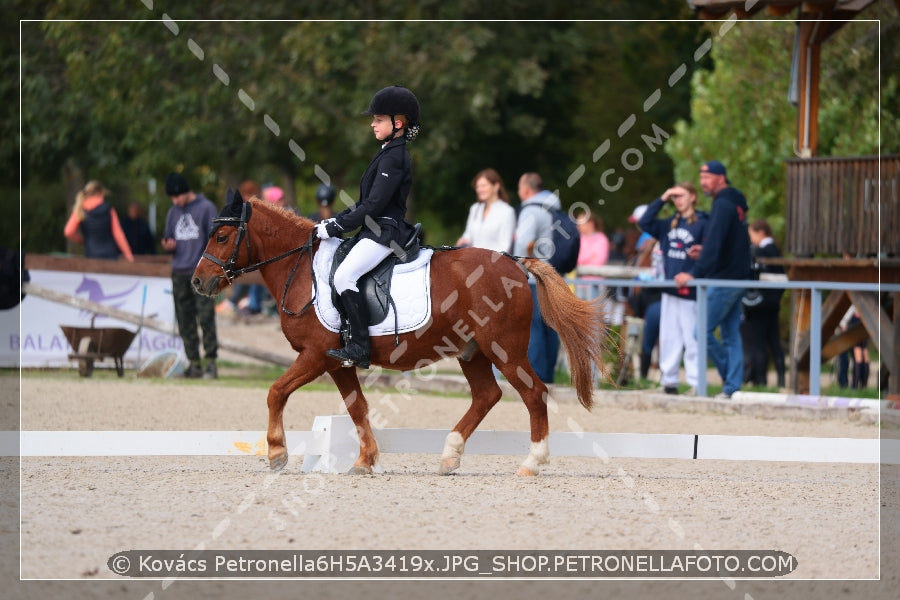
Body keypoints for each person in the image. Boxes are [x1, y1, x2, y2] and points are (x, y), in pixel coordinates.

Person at [315, 85, 420, 369]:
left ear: (397, 123)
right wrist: (334, 220)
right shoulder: (386, 151)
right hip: (374, 228)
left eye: (378, 119)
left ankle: (360, 347)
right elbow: (363, 202)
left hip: (385, 232)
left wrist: (338, 226)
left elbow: (373, 206)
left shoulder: (395, 156)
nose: (372, 124)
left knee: (344, 277)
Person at [674, 160, 751, 399]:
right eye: (701, 178)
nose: (703, 183)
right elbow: (723, 243)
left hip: (725, 279)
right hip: (738, 277)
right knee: (730, 334)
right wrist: (704, 250)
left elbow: (716, 242)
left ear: (720, 178)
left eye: (707, 178)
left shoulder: (723, 205)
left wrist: (694, 272)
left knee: (702, 332)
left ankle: (731, 377)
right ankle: (732, 387)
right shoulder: (734, 202)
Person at [637, 182, 708, 394]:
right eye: (675, 197)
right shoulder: (669, 224)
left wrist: (694, 274)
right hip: (670, 290)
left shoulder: (703, 222)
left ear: (693, 197)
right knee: (669, 337)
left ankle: (697, 383)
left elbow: (710, 253)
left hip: (691, 291)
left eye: (682, 195)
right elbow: (644, 222)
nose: (678, 200)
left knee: (692, 337)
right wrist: (663, 197)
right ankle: (669, 382)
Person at [161, 172, 220, 379]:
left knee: (205, 318)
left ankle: (211, 363)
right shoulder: (173, 212)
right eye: (172, 198)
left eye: (177, 196)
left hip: (202, 273)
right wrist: (168, 245)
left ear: (186, 191)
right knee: (185, 320)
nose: (175, 201)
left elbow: (216, 240)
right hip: (179, 272)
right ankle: (194, 363)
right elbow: (168, 237)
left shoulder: (206, 208)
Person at [513, 172, 561, 383]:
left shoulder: (530, 211)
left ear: (526, 189)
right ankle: (548, 374)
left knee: (533, 326)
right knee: (550, 326)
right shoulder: (554, 209)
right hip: (553, 276)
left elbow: (524, 244)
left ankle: (536, 377)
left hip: (533, 277)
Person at [741, 218, 785, 388]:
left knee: (759, 343)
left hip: (760, 304)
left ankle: (761, 380)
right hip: (773, 304)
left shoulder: (763, 251)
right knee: (774, 342)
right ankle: (781, 380)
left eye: (751, 235)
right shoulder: (775, 249)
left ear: (760, 233)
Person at [63, 180, 134, 262]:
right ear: (99, 193)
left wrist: (82, 240)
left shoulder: (80, 209)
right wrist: (129, 255)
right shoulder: (109, 210)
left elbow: (68, 232)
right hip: (110, 255)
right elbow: (118, 234)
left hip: (91, 255)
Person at [455, 168, 516, 253]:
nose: (479, 190)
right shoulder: (475, 208)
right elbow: (468, 235)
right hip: (470, 262)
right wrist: (463, 241)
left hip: (494, 264)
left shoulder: (507, 212)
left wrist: (482, 259)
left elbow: (505, 246)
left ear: (496, 186)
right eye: (477, 187)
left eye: (483, 186)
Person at [574, 210, 609, 301]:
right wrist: (590, 257)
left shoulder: (601, 239)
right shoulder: (579, 239)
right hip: (579, 283)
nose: (578, 226)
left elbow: (599, 261)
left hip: (597, 285)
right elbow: (575, 258)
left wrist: (582, 259)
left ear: (591, 223)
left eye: (581, 223)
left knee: (594, 313)